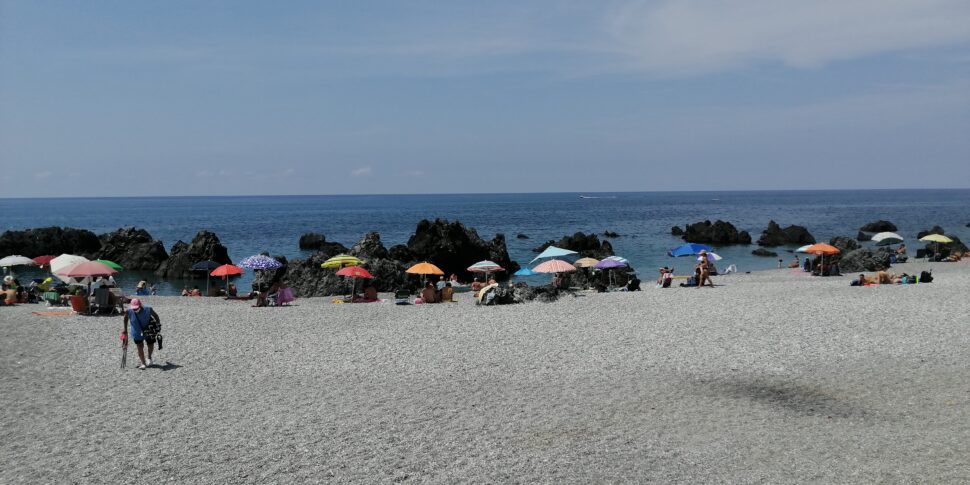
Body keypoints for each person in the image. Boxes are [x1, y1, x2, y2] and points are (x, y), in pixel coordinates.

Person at [122, 298, 161, 370]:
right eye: (133, 308)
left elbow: (156, 316)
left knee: (150, 344)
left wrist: (158, 325)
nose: (135, 310)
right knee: (139, 346)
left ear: (140, 305)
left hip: (149, 330)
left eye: (136, 308)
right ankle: (143, 363)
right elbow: (125, 318)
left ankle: (149, 357)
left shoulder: (148, 309)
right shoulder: (129, 310)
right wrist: (125, 329)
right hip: (136, 331)